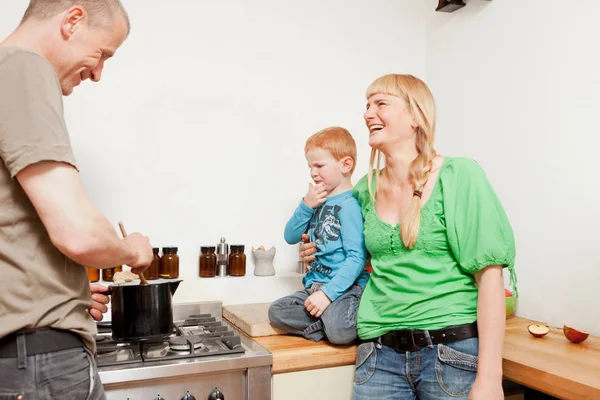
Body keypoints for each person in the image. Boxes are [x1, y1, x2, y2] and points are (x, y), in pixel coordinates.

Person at [301, 74, 516, 399]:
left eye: (381, 104)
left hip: (450, 354)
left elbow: (490, 278)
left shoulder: (458, 176)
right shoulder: (364, 189)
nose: (368, 113)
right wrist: (320, 250)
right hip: (378, 357)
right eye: (367, 105)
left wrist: (489, 379)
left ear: (416, 117)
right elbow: (354, 256)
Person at [0, 1, 153, 399]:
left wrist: (65, 296)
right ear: (73, 19)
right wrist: (131, 250)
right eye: (102, 53)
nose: (99, 73)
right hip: (38, 364)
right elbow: (79, 234)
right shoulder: (21, 67)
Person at [268, 127, 370, 345]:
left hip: (346, 288)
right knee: (277, 312)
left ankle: (331, 321)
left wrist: (328, 294)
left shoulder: (350, 205)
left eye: (319, 166)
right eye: (310, 167)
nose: (313, 173)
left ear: (346, 165)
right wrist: (306, 205)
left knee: (340, 331)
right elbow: (290, 235)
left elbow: (356, 258)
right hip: (315, 285)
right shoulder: (314, 201)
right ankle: (327, 321)